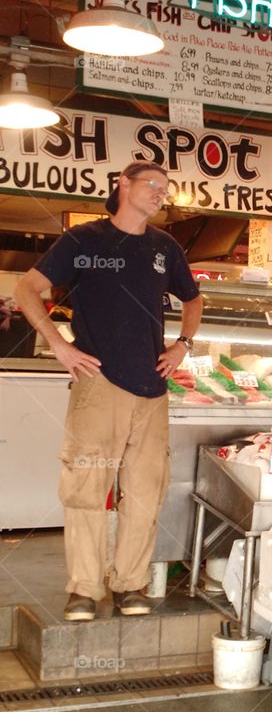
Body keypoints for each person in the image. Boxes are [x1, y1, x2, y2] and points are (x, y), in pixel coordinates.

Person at [15, 161, 203, 621]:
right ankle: (84, 588)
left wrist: (183, 345)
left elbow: (193, 298)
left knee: (145, 491)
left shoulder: (165, 246)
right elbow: (27, 287)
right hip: (99, 384)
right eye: (152, 185)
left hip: (153, 389)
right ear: (123, 184)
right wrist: (59, 345)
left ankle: (130, 584)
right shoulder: (85, 240)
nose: (161, 194)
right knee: (85, 485)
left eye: (166, 189)